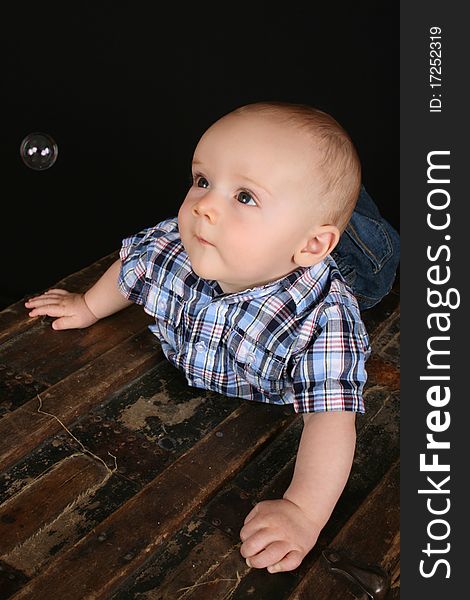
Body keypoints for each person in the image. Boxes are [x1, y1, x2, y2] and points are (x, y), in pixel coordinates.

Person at [25, 101, 399, 574]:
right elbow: (136, 266)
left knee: (364, 245)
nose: (203, 205)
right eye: (202, 180)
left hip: (355, 262)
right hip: (280, 239)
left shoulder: (323, 320)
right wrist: (87, 305)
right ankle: (299, 188)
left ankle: (349, 209)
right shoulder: (184, 244)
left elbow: (332, 422)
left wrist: (303, 512)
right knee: (302, 186)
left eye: (244, 196)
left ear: (310, 244)